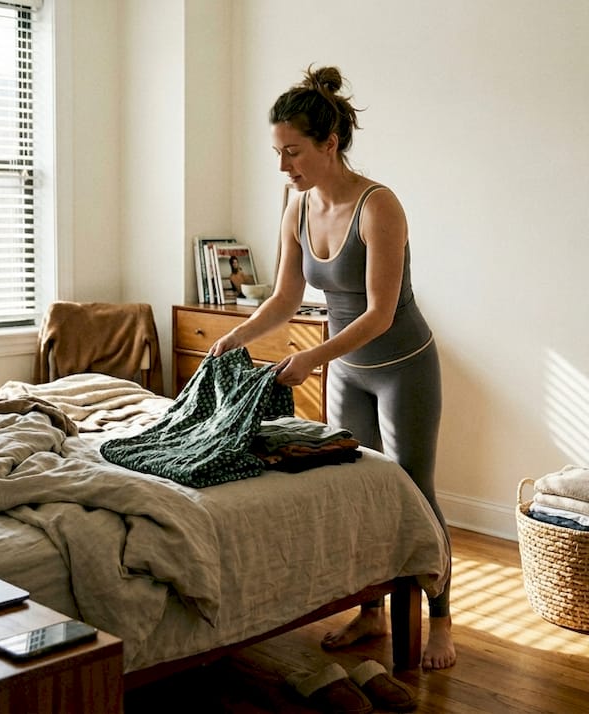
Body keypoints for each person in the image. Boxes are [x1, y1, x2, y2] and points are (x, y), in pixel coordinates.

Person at [208, 65, 455, 669]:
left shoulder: (379, 205)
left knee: (413, 491)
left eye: (292, 152)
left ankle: (442, 620)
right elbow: (287, 298)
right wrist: (233, 338)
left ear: (330, 144)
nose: (284, 166)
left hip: (401, 365)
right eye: (277, 152)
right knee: (355, 489)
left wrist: (311, 357)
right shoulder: (295, 207)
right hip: (347, 369)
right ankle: (371, 611)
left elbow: (378, 313)